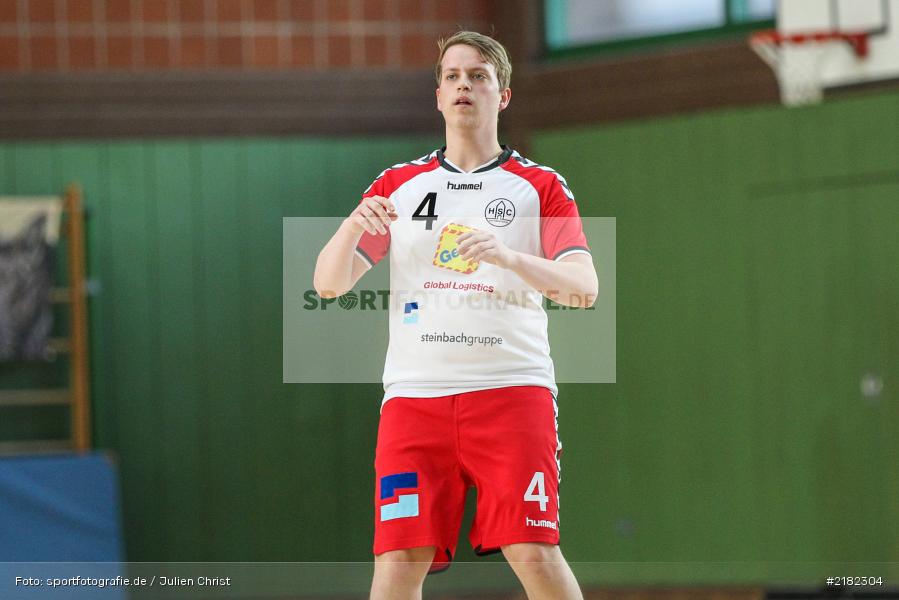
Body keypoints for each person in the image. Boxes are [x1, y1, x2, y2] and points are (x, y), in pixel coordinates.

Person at [314, 30, 596, 600]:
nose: (464, 84)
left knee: (534, 553)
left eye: (479, 75)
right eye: (452, 76)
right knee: (398, 562)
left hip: (512, 392)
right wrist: (351, 226)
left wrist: (510, 256)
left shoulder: (541, 187)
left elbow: (583, 288)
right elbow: (327, 284)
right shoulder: (398, 185)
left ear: (504, 95)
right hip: (416, 402)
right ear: (438, 96)